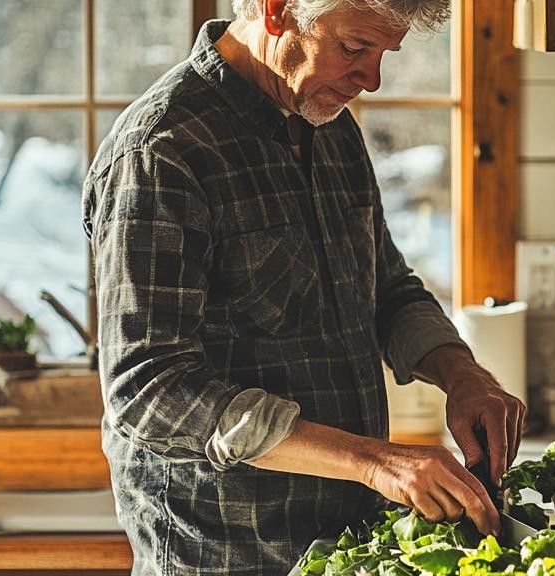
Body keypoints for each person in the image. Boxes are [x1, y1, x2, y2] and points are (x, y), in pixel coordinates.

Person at [81, 0, 526, 573]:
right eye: (354, 49)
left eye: (383, 54)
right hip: (221, 553)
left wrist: (465, 377)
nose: (372, 80)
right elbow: (149, 390)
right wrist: (374, 462)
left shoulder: (330, 128)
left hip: (344, 544)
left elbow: (387, 288)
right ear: (275, 11)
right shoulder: (162, 150)